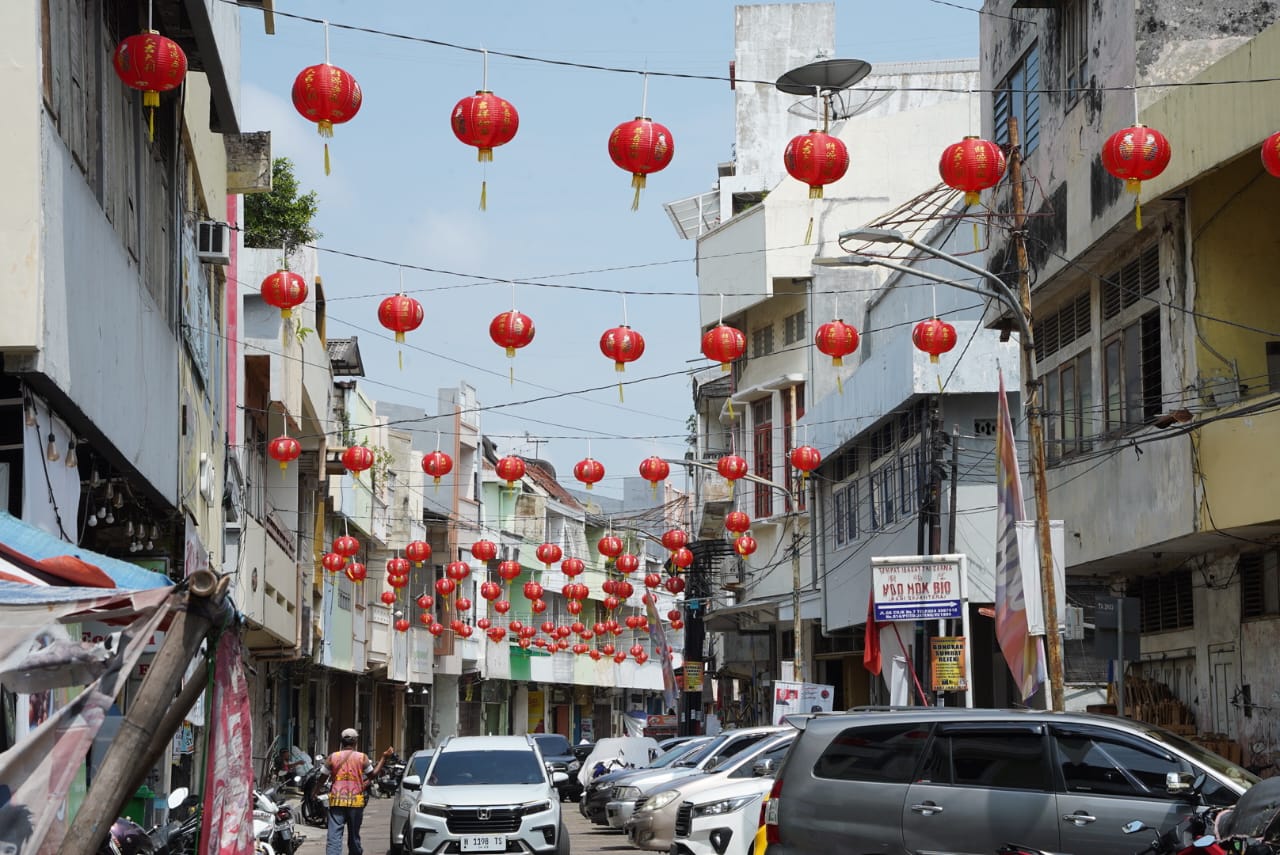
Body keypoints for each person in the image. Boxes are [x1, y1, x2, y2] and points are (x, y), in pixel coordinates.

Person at [324, 728, 393, 855]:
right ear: (355, 741)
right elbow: (372, 774)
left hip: (337, 801)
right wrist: (383, 758)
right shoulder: (362, 757)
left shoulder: (332, 757)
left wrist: (315, 792)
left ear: (341, 741)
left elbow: (322, 777)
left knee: (334, 836)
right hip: (356, 802)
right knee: (354, 836)